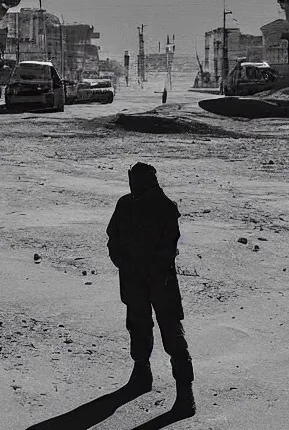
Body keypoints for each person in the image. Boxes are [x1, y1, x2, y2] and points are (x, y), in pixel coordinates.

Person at [106, 163, 196, 417]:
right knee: (138, 326)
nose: (134, 185)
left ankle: (184, 391)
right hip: (133, 281)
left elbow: (168, 246)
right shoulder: (124, 205)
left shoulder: (165, 207)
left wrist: (150, 271)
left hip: (161, 283)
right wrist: (123, 262)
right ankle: (141, 372)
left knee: (172, 334)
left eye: (139, 180)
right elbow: (113, 237)